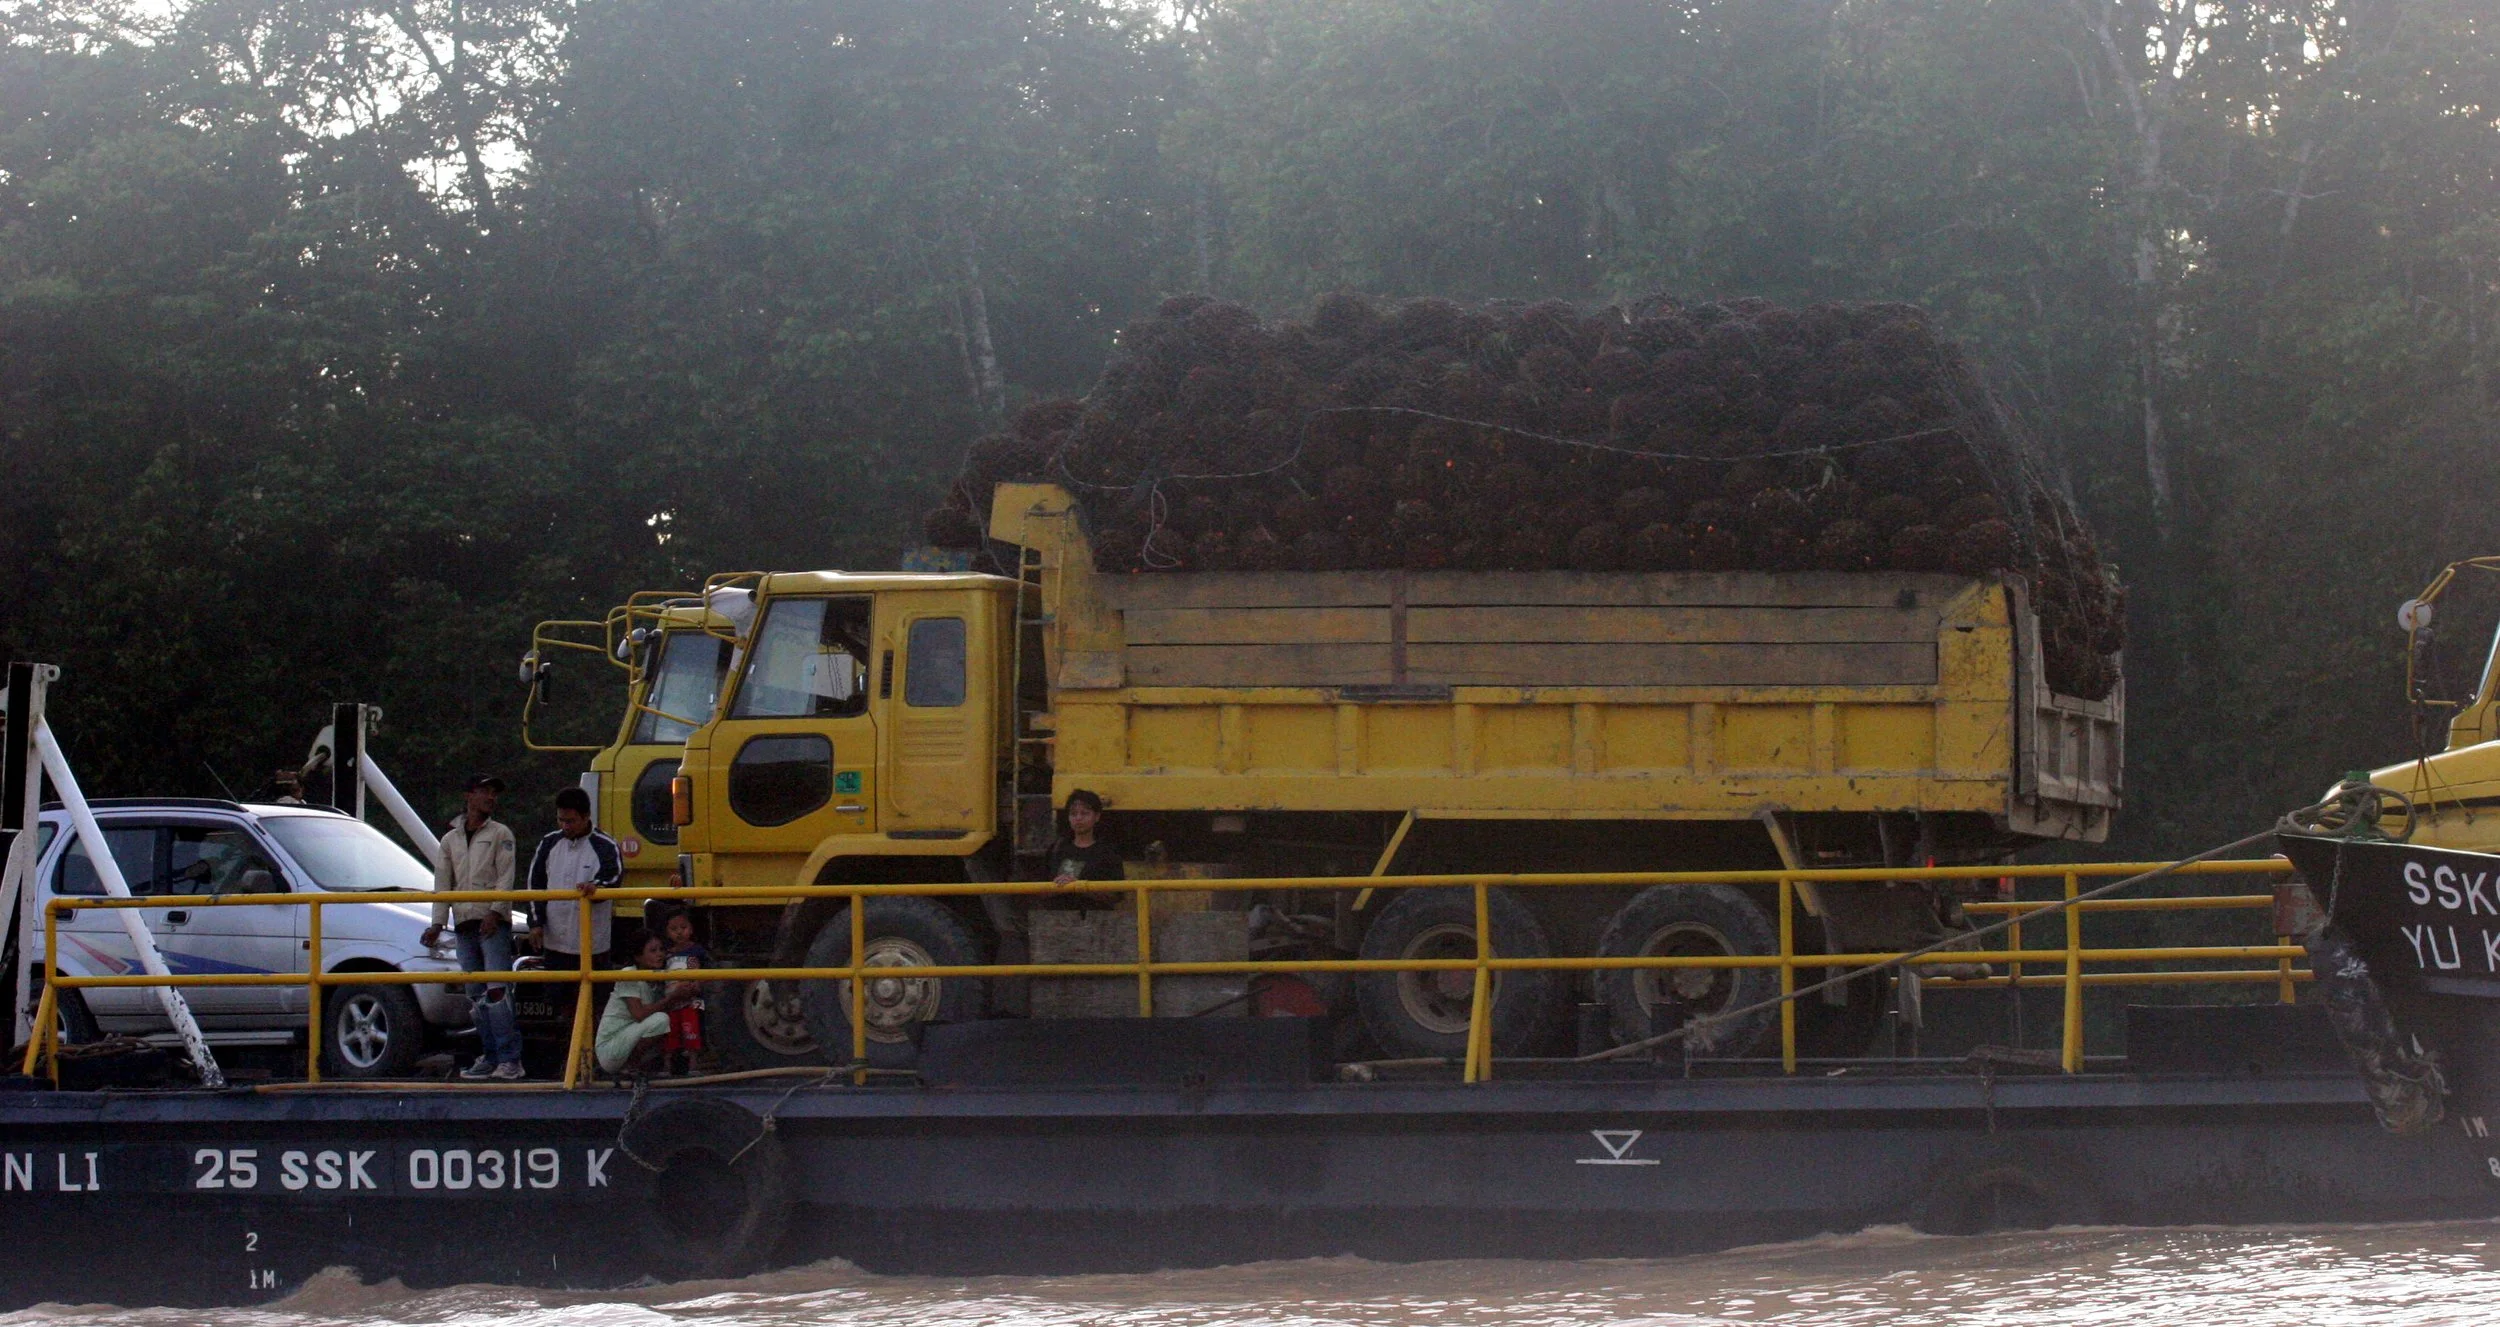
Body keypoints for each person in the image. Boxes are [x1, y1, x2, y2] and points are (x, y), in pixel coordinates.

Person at [422, 775, 523, 1080]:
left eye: (494, 793)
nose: (491, 797)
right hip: (464, 924)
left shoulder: (501, 834)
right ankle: (491, 1057)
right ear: (469, 795)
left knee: (496, 991)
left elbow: (506, 877)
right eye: (485, 791)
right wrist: (438, 923)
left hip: (491, 924)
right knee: (476, 994)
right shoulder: (450, 840)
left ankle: (509, 1059)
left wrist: (495, 911)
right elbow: (443, 883)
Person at [525, 786, 623, 1029]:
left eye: (571, 821)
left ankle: (593, 1058)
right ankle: (567, 1058)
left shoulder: (605, 845)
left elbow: (615, 878)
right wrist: (536, 923)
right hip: (555, 941)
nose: (566, 826)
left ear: (586, 817)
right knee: (560, 1006)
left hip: (593, 944)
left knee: (596, 1004)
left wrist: (595, 889)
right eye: (561, 820)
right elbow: (534, 884)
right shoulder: (549, 843)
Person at [595, 929, 699, 1077]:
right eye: (653, 951)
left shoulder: (658, 978)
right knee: (661, 1020)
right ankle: (631, 1067)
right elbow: (639, 1014)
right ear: (638, 956)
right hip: (612, 1048)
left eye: (662, 950)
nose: (660, 954)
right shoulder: (629, 974)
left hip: (631, 1037)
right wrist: (671, 998)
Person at [1042, 788, 1124, 909]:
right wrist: (1058, 887)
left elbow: (1116, 895)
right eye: (1073, 814)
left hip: (1097, 920)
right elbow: (1039, 889)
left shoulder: (1107, 852)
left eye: (1085, 813)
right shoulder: (1056, 850)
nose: (1078, 818)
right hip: (1059, 920)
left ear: (1097, 817)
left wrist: (1081, 887)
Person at [658, 906, 709, 1075]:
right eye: (673, 929)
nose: (679, 932)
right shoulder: (666, 954)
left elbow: (705, 971)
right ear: (667, 933)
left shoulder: (697, 951)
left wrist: (698, 985)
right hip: (672, 999)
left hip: (692, 999)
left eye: (683, 928)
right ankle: (667, 1066)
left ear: (691, 929)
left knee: (692, 1030)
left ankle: (693, 1065)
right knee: (670, 1031)